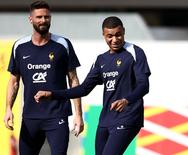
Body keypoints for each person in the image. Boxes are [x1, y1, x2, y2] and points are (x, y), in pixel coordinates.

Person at [34, 16, 151, 155]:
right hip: (105, 120)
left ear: (124, 31)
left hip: (128, 117)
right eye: (110, 36)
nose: (115, 39)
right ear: (104, 35)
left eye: (118, 35)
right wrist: (52, 94)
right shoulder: (101, 59)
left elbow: (144, 85)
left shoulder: (135, 52)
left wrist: (127, 100)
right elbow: (84, 89)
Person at [3, 1, 84, 155]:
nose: (43, 20)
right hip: (30, 117)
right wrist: (8, 109)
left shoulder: (63, 44)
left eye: (47, 17)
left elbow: (73, 80)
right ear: (30, 19)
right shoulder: (20, 47)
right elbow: (14, 82)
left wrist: (78, 115)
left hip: (57, 116)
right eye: (39, 17)